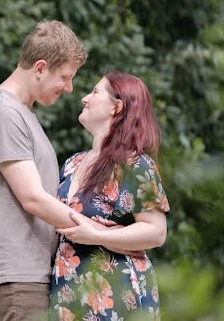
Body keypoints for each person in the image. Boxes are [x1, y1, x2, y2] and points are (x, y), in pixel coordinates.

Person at [0, 20, 99, 321]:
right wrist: (98, 232)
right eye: (65, 77)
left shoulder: (20, 113)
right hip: (15, 278)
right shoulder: (3, 113)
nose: (69, 88)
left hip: (29, 275)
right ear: (40, 68)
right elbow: (32, 198)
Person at [49, 71, 170, 321]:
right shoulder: (72, 163)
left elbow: (156, 232)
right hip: (69, 297)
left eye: (94, 92)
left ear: (117, 107)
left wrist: (97, 235)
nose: (84, 98)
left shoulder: (136, 164)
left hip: (118, 295)